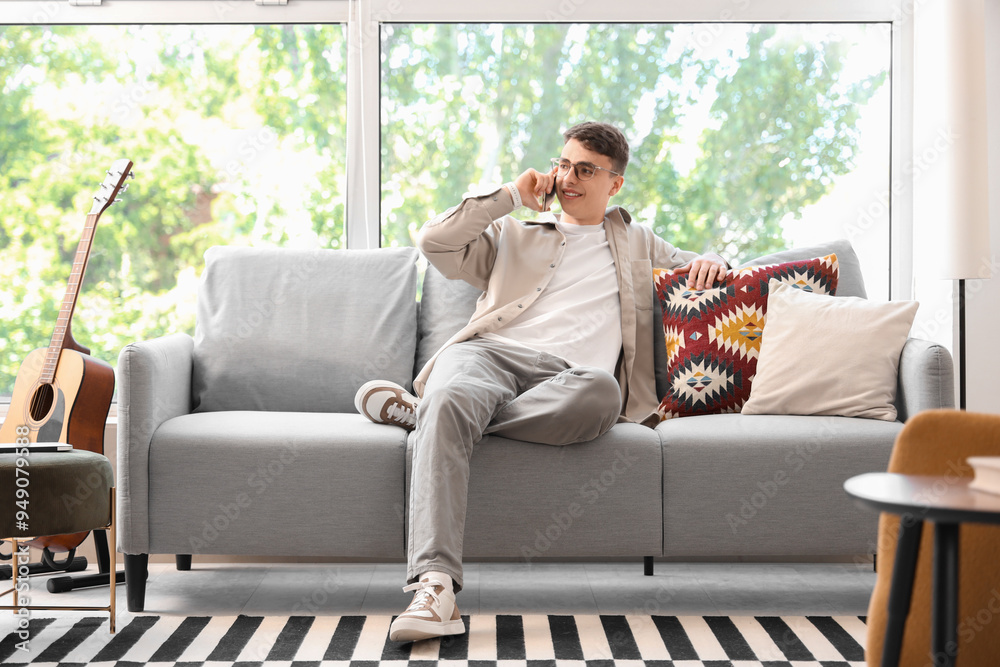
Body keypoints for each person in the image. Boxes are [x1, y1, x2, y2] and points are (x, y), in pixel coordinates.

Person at [354, 122, 727, 642]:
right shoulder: (514, 233)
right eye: (564, 163)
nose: (569, 177)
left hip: (571, 381)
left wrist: (715, 258)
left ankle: (435, 417)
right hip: (488, 357)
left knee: (604, 394)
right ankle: (435, 588)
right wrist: (509, 196)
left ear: (614, 183)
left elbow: (709, 274)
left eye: (587, 170)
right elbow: (433, 242)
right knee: (456, 391)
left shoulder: (640, 243)